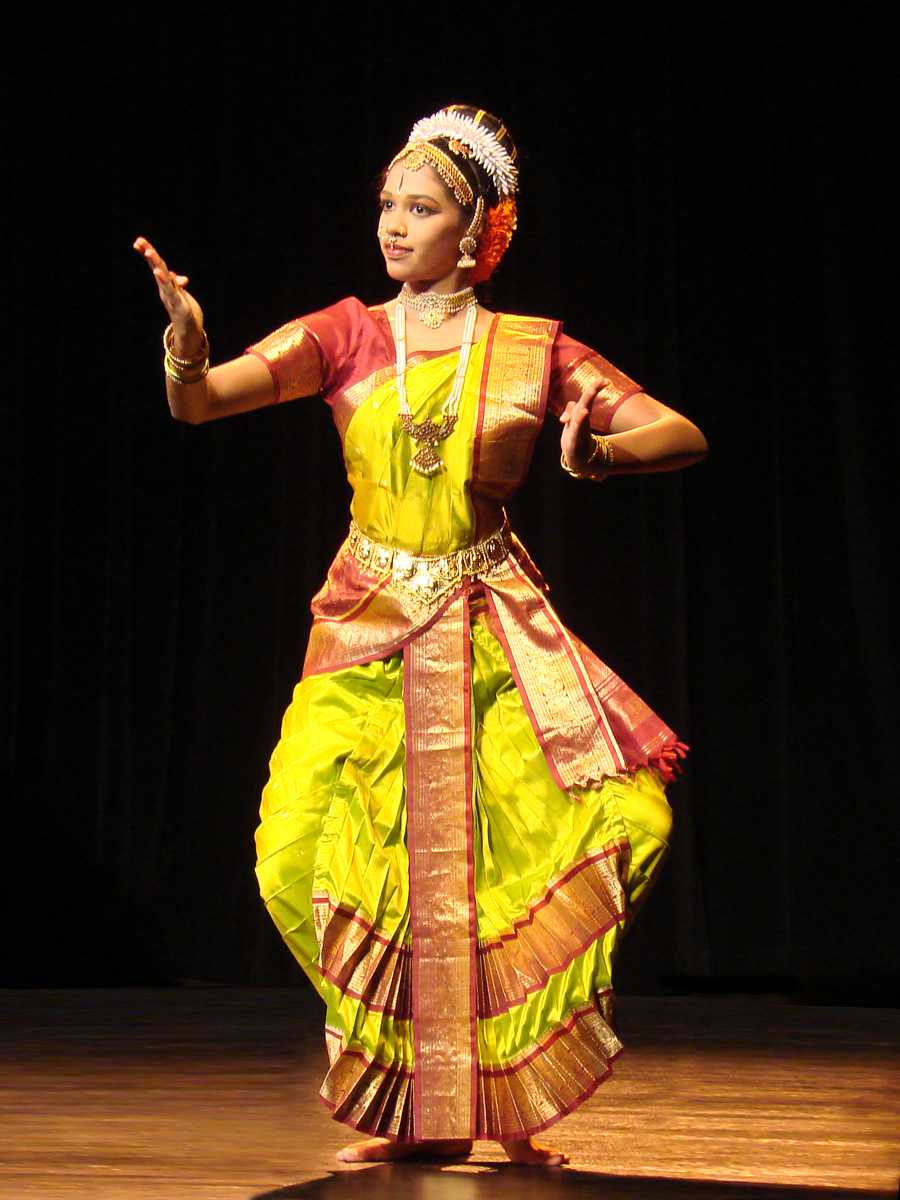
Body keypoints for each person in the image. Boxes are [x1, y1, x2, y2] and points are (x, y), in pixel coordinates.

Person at [134, 104, 707, 1168]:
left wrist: (604, 461)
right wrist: (185, 353)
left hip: (494, 635)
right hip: (367, 631)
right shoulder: (345, 333)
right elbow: (204, 405)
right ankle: (413, 1092)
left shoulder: (532, 351)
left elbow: (679, 431)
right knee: (294, 860)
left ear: (477, 228)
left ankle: (496, 1095)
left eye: (422, 206)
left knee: (574, 840)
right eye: (388, 203)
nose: (394, 225)